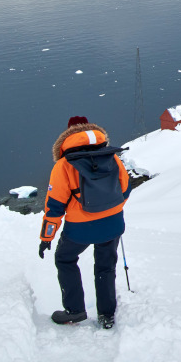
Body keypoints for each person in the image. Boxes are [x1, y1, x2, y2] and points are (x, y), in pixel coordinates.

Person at [39, 116, 130, 329]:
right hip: (113, 223)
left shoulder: (64, 165)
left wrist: (46, 237)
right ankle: (107, 315)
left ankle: (75, 310)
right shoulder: (112, 157)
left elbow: (54, 206)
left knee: (65, 258)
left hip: (81, 228)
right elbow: (125, 189)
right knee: (106, 266)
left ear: (69, 135)